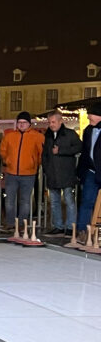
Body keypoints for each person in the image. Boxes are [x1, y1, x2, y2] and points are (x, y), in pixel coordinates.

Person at [0, 111, 44, 230]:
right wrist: (7, 160)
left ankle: (22, 225)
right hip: (11, 172)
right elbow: (3, 150)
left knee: (25, 201)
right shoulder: (10, 136)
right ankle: (10, 223)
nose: (21, 124)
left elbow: (41, 153)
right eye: (19, 122)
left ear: (29, 124)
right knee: (9, 200)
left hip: (28, 174)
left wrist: (35, 164)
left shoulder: (37, 137)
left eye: (24, 122)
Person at [41, 110, 79, 235]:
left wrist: (61, 150)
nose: (51, 124)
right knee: (54, 202)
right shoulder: (48, 136)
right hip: (52, 173)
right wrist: (46, 168)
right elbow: (45, 154)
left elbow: (79, 147)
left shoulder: (70, 134)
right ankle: (58, 226)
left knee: (69, 201)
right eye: (49, 122)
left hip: (66, 173)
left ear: (60, 121)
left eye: (53, 122)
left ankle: (70, 227)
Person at [75, 102, 101, 242]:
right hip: (91, 171)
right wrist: (81, 171)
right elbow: (85, 152)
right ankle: (82, 231)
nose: (88, 117)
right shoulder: (88, 130)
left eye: (91, 114)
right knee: (86, 201)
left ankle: (98, 233)